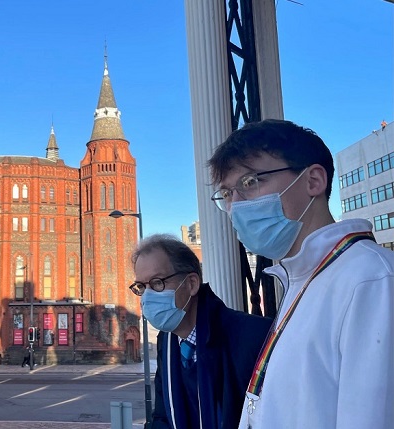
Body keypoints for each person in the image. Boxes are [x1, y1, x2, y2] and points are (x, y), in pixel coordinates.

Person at [208, 119, 394, 428]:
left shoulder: (370, 279)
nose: (236, 206)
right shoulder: (300, 277)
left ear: (313, 181)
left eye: (251, 182)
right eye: (227, 194)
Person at [132, 234, 272, 429]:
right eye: (141, 286)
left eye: (157, 283)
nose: (147, 297)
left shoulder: (255, 337)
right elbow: (162, 417)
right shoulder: (168, 342)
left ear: (191, 284)